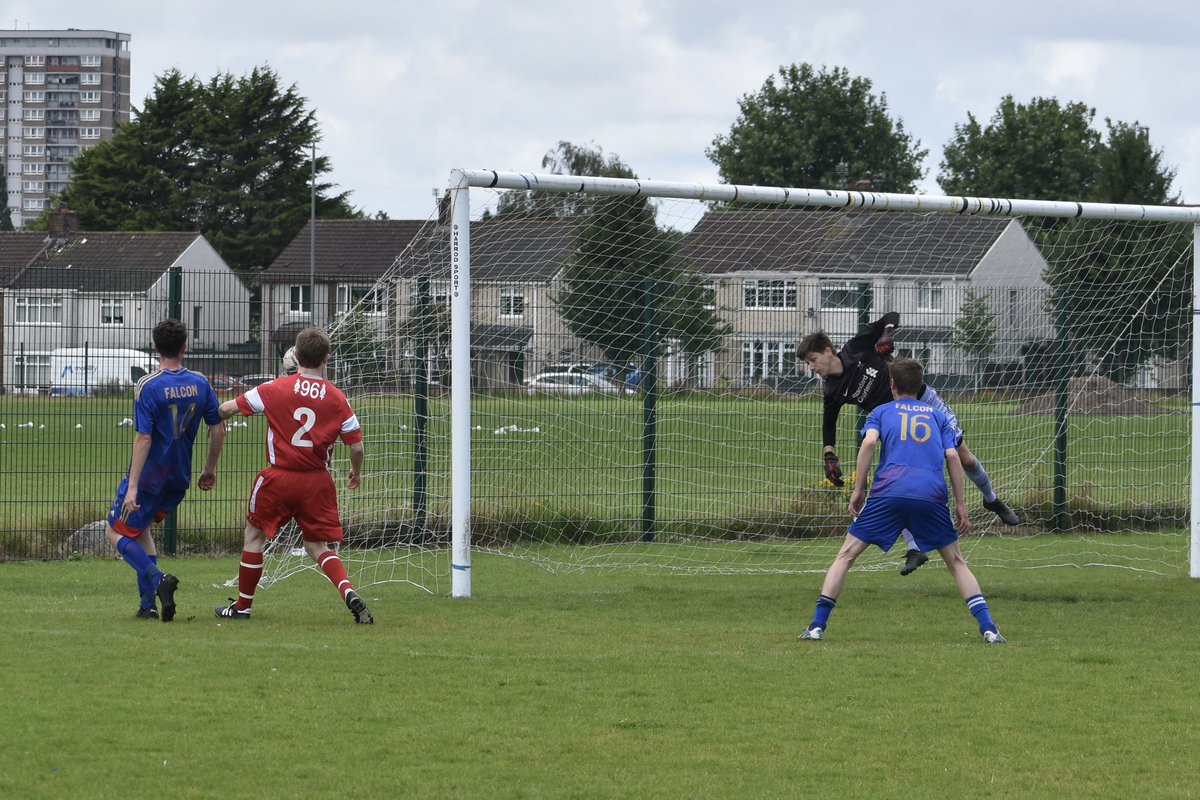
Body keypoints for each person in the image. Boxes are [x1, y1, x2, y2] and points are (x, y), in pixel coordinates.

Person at [798, 358, 1006, 644]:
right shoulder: (937, 415)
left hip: (888, 493)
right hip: (930, 495)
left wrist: (858, 489)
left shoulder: (881, 412)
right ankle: (990, 630)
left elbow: (869, 443)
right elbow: (953, 456)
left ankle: (817, 627)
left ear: (892, 385)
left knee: (846, 556)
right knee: (957, 562)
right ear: (920, 385)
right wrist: (960, 504)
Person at [799, 312, 1019, 577]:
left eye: (812, 360)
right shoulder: (832, 390)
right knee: (897, 480)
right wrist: (829, 457)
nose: (811, 367)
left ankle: (991, 500)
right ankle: (916, 548)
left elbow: (891, 316)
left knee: (965, 458)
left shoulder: (855, 348)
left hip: (924, 399)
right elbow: (828, 424)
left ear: (827, 350)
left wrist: (887, 334)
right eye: (808, 363)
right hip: (896, 421)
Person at [215, 327, 373, 624]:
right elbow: (357, 446)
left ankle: (243, 607)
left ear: (295, 356)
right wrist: (355, 472)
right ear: (327, 359)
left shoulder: (275, 388)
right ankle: (348, 590)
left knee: (254, 537)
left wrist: (214, 418)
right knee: (317, 546)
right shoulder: (338, 398)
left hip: (279, 478)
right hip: (317, 481)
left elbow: (227, 408)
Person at [106, 319, 227, 621]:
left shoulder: (148, 386)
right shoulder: (200, 383)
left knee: (114, 531)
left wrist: (132, 487)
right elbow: (218, 428)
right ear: (184, 347)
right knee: (141, 529)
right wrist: (209, 469)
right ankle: (147, 607)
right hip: (179, 477)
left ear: (156, 347)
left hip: (150, 477)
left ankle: (159, 580)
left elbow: (144, 437)